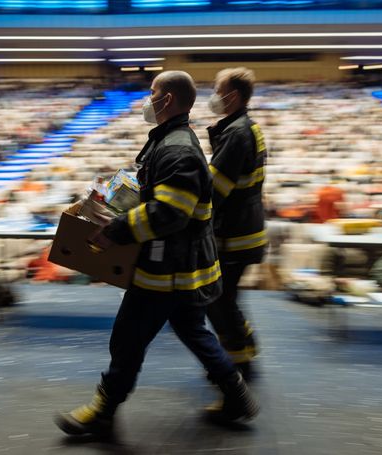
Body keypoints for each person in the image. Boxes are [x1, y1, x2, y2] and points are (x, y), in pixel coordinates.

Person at [54, 71, 259, 436]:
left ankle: (104, 409)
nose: (147, 100)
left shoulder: (178, 148)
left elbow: (169, 212)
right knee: (194, 331)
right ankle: (237, 396)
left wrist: (113, 231)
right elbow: (147, 189)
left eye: (152, 93)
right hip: (183, 266)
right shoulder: (168, 141)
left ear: (166, 100)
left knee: (127, 337)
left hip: (168, 269)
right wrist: (104, 199)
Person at [205, 68, 267, 380]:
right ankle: (244, 349)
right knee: (225, 299)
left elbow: (214, 189)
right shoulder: (244, 127)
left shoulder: (238, 133)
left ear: (234, 96)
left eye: (218, 89)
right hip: (244, 229)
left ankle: (239, 364)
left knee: (218, 301)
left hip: (235, 234)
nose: (213, 95)